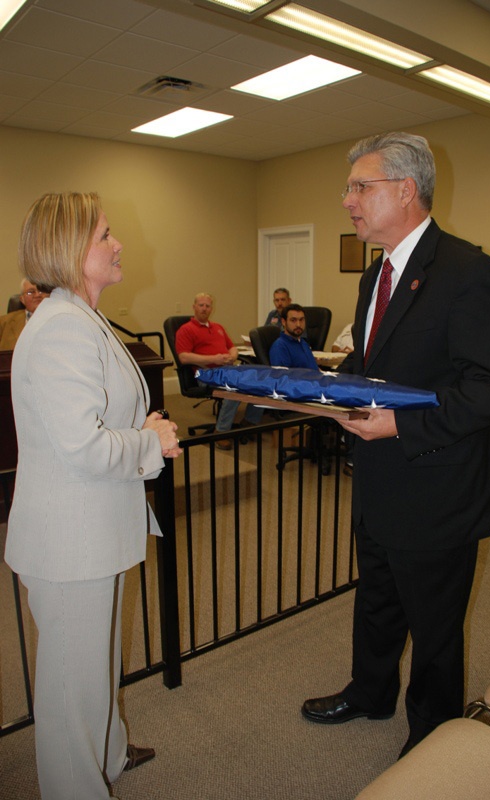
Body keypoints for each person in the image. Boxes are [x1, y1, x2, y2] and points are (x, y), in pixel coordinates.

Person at [301, 132, 490, 758]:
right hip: (377, 479)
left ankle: (432, 739)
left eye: (359, 186)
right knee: (375, 599)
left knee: (434, 628)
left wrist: (401, 425)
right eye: (349, 187)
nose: (347, 200)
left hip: (437, 485)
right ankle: (369, 692)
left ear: (405, 191)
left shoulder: (470, 271)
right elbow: (378, 366)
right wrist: (316, 388)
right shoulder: (377, 273)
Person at [4, 192, 181, 800]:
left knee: (95, 670)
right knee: (69, 691)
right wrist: (150, 440)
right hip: (69, 544)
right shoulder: (61, 328)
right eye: (105, 234)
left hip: (92, 535)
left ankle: (105, 756)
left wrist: (143, 429)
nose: (118, 242)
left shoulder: (81, 318)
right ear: (70, 249)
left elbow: (99, 418)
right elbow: (84, 447)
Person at [176, 292, 263, 450]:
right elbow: (184, 357)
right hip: (205, 374)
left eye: (207, 306)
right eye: (201, 305)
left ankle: (249, 423)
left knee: (259, 379)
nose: (204, 308)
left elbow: (232, 347)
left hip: (227, 368)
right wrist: (213, 359)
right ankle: (220, 432)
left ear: (211, 309)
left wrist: (232, 356)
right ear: (194, 307)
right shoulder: (186, 329)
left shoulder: (218, 327)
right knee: (234, 388)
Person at [0, 279, 49, 349]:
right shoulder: (3, 323)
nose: (37, 295)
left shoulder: (60, 319)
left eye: (41, 291)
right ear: (22, 299)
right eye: (30, 292)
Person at [269, 303, 318, 369]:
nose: (298, 325)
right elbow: (282, 377)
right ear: (283, 322)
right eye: (293, 320)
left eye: (301, 320)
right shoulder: (280, 346)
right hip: (302, 379)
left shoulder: (303, 343)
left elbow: (313, 369)